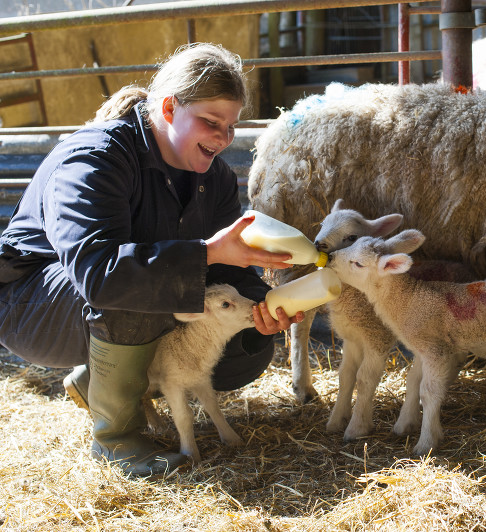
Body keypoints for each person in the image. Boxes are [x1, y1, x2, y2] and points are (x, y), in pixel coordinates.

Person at [0, 43, 304, 477]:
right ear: (167, 108)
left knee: (242, 348)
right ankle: (116, 438)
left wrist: (262, 305)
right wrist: (208, 252)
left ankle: (102, 380)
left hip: (110, 293)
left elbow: (223, 269)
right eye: (210, 121)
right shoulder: (97, 157)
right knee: (141, 288)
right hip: (32, 305)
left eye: (232, 126)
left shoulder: (211, 175)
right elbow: (101, 271)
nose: (222, 138)